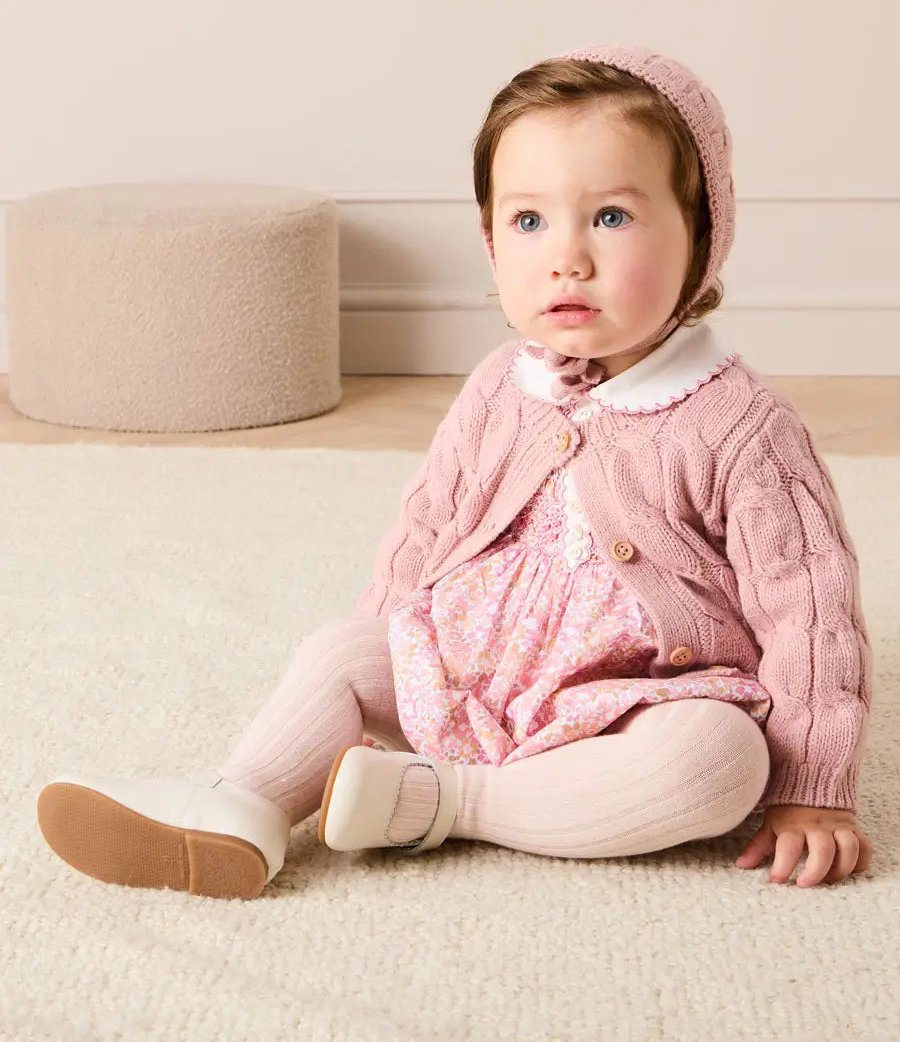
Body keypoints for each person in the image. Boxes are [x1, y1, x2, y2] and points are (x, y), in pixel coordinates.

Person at [37, 44, 874, 899]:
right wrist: (387, 654)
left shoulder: (740, 426)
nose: (567, 257)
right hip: (469, 674)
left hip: (632, 706)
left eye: (612, 216)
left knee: (719, 762)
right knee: (341, 651)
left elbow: (811, 611)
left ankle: (452, 801)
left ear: (702, 235)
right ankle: (238, 804)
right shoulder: (500, 387)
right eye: (529, 221)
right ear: (490, 241)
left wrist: (814, 786)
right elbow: (427, 528)